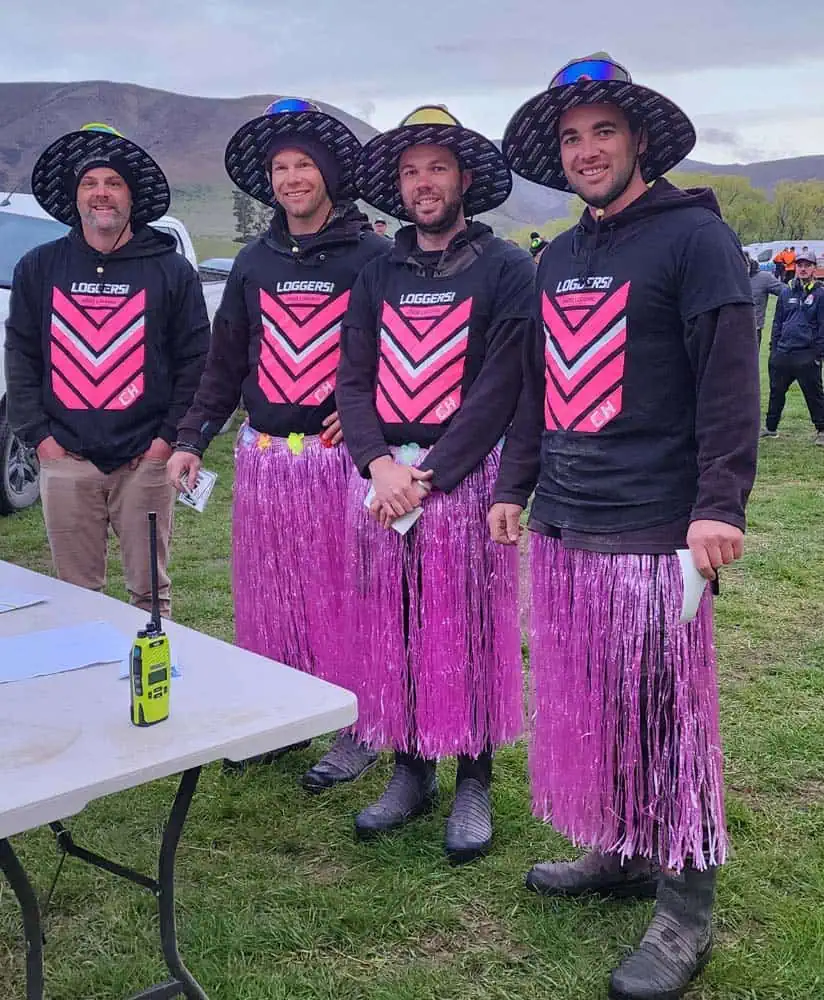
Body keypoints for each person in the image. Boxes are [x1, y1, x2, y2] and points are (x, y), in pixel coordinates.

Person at [493, 54, 759, 999]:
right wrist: (516, 484)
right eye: (572, 138)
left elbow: (729, 384)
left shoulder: (697, 239)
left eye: (604, 131)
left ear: (638, 139)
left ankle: (685, 909)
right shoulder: (559, 256)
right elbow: (538, 388)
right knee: (600, 703)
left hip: (656, 529)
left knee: (668, 716)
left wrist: (718, 504)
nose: (587, 150)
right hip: (570, 522)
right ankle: (623, 847)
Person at [167, 98, 390, 785]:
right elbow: (225, 361)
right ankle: (285, 716)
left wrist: (367, 413)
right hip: (267, 458)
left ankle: (360, 726)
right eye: (280, 168)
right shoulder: (253, 261)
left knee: (349, 593)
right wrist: (191, 438)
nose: (292, 178)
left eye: (304, 165)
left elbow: (405, 351)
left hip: (342, 463)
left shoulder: (374, 257)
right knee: (277, 596)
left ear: (329, 174)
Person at [336, 104, 534, 863]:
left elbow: (502, 385)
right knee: (398, 626)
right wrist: (379, 465)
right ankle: (410, 768)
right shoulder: (377, 272)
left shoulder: (506, 267)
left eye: (438, 169)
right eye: (411, 171)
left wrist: (431, 476)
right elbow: (353, 379)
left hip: (463, 480)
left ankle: (473, 779)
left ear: (465, 180)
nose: (423, 183)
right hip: (387, 484)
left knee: (471, 629)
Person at [5, 123, 210, 615]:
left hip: (146, 461)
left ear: (131, 196)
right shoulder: (38, 267)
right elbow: (21, 355)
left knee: (150, 595)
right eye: (90, 183)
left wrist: (167, 440)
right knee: (76, 596)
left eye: (113, 182)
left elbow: (195, 360)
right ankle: (87, 667)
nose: (101, 193)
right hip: (66, 459)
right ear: (75, 196)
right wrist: (41, 439)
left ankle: (153, 668)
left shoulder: (170, 270)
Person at [761, 249, 824, 443]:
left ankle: (822, 430)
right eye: (800, 265)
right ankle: (771, 428)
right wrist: (774, 349)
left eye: (807, 266)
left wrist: (817, 353)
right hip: (783, 352)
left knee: (814, 394)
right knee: (776, 391)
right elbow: (777, 322)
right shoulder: (786, 292)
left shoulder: (820, 294)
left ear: (814, 268)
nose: (803, 269)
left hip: (806, 353)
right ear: (795, 267)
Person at [747, 253, 782, 348]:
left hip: (754, 329)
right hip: (732, 329)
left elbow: (785, 292)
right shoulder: (731, 277)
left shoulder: (764, 278)